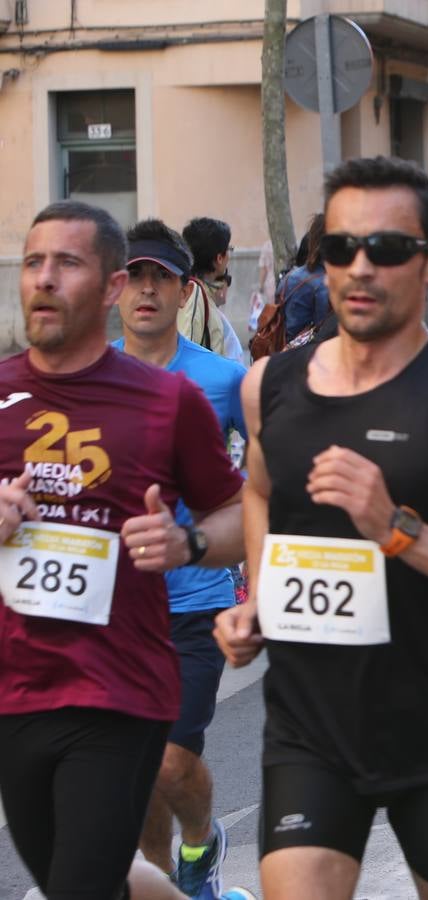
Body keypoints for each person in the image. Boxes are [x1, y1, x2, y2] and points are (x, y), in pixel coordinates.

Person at [213, 155, 428, 898]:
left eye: (387, 249)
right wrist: (260, 600)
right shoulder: (267, 386)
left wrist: (397, 529)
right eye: (341, 248)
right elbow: (259, 495)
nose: (359, 268)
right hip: (308, 734)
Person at [0, 201, 249, 900]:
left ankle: (196, 848)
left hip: (127, 675)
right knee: (90, 877)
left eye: (67, 263)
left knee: (87, 876)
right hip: (19, 684)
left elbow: (239, 512)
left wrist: (187, 542)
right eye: (33, 263)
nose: (45, 279)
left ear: (106, 286)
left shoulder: (174, 399)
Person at [110, 219, 248, 899]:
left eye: (160, 277)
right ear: (115, 288)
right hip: (106, 609)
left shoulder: (221, 379)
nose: (145, 290)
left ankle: (201, 843)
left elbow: (270, 479)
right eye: (134, 276)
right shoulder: (84, 376)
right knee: (132, 767)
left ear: (184, 288)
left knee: (169, 760)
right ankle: (164, 883)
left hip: (195, 599)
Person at [180, 217, 247, 365]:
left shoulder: (200, 291)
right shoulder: (194, 293)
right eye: (228, 250)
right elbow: (185, 353)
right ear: (219, 258)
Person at [279, 214, 331, 343]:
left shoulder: (290, 276)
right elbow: (326, 333)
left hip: (284, 351)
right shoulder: (324, 284)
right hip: (309, 355)